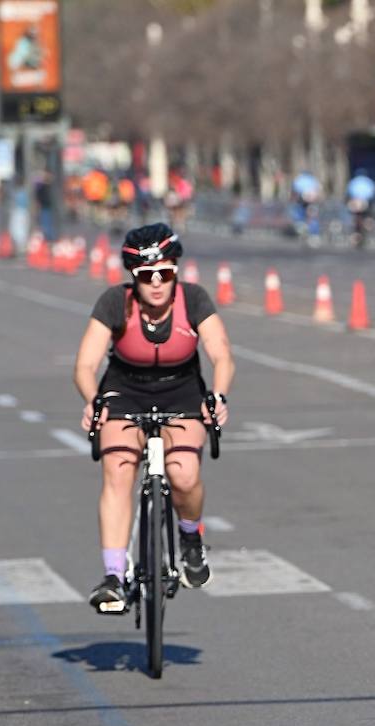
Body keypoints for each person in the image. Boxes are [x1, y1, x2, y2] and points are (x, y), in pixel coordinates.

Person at [73, 224, 234, 613]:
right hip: (125, 389)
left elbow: (221, 353)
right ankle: (113, 576)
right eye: (147, 276)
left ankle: (191, 537)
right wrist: (93, 401)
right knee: (119, 466)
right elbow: (85, 364)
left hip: (181, 389)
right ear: (134, 277)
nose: (157, 283)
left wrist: (218, 395)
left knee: (183, 473)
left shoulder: (193, 299)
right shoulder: (115, 302)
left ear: (176, 270)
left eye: (165, 273)